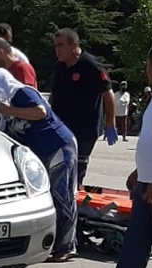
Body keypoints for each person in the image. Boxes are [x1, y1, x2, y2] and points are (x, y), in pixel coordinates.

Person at [91, 39, 152, 268]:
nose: (146, 69)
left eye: (148, 64)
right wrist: (139, 173)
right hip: (146, 184)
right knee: (134, 244)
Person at [0, 68, 78, 262]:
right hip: (42, 152)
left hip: (58, 145)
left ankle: (67, 246)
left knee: (63, 196)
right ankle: (55, 243)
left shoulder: (22, 93)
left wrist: (7, 109)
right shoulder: (4, 107)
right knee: (51, 196)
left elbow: (39, 112)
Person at [50, 28, 117, 187]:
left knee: (76, 168)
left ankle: (74, 202)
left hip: (84, 129)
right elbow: (55, 94)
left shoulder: (89, 65)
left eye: (61, 45)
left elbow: (108, 93)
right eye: (55, 46)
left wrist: (110, 123)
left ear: (74, 45)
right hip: (62, 126)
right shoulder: (60, 66)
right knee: (60, 167)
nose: (57, 50)